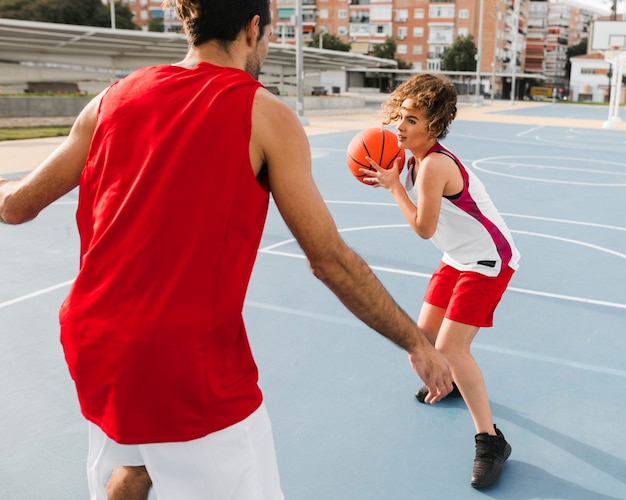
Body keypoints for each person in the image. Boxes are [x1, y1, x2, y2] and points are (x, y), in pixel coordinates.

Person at [0, 1, 453, 498]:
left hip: (95, 345)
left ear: (187, 23)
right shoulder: (263, 114)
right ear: (252, 29)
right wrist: (418, 343)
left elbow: (16, 206)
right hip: (187, 366)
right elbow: (330, 261)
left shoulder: (111, 99)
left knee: (133, 464)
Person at [362, 73, 520, 489]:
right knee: (420, 340)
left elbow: (423, 228)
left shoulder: (433, 165)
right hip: (459, 257)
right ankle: (450, 387)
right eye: (400, 116)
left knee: (451, 348)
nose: (400, 126)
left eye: (412, 120)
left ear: (433, 126)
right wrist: (387, 171)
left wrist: (395, 188)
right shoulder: (411, 157)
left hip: (488, 260)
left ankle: (491, 440)